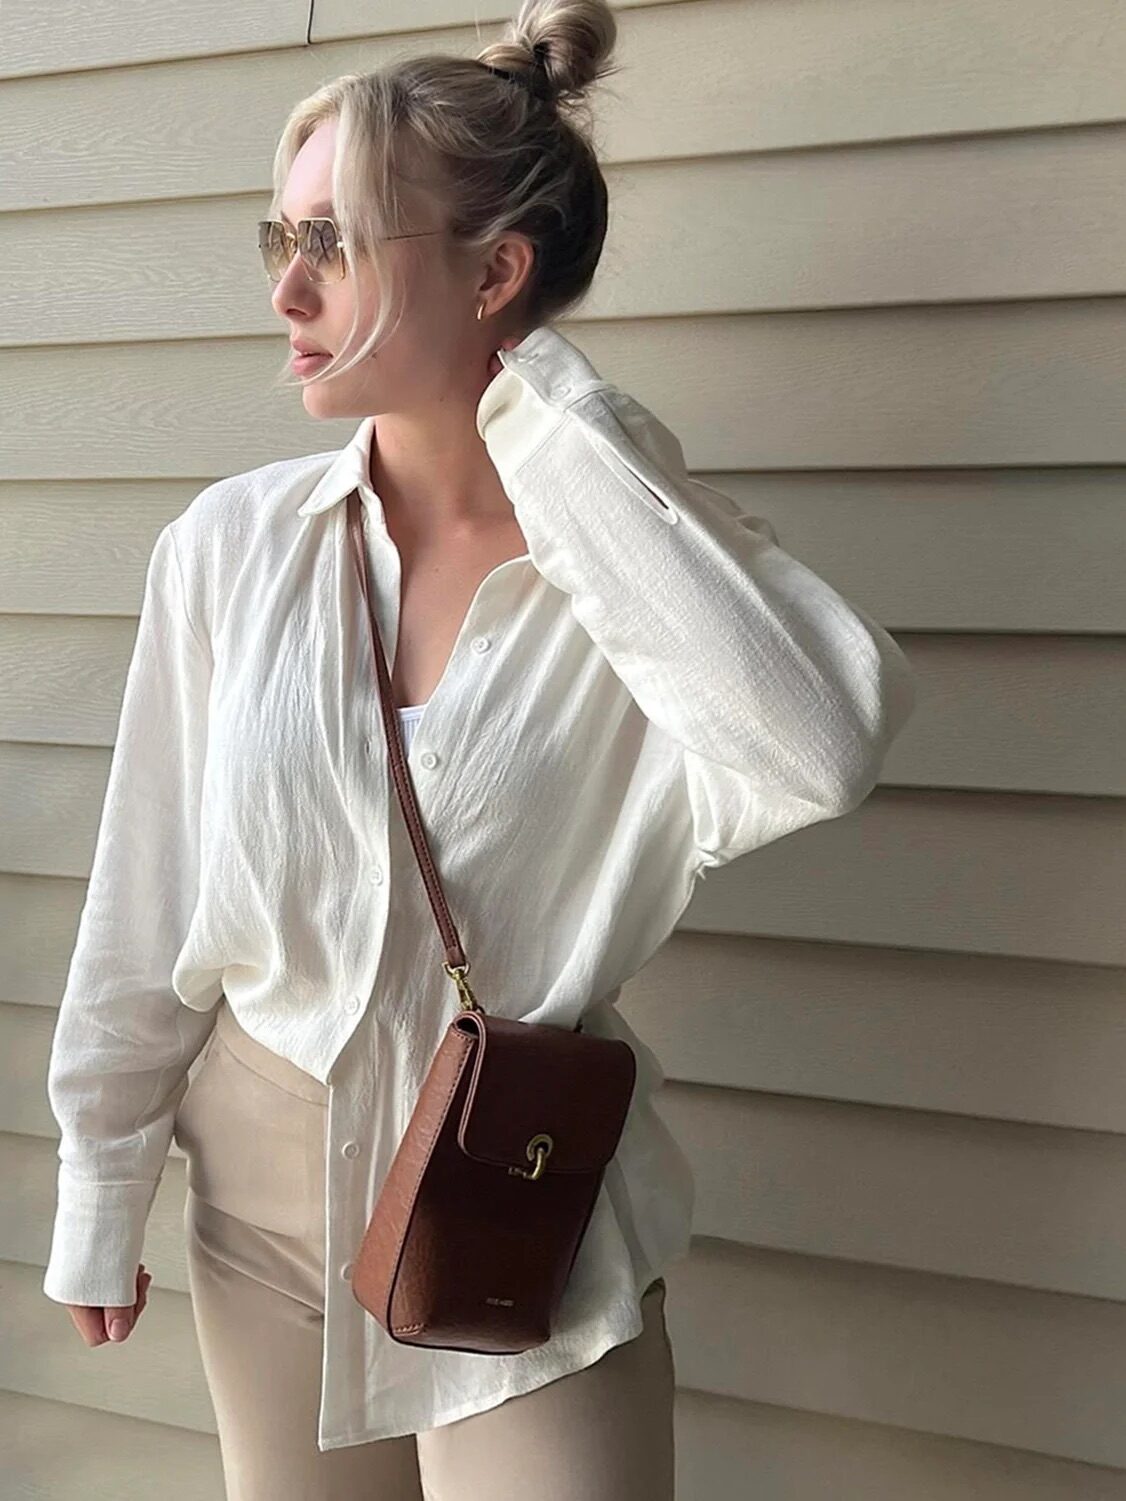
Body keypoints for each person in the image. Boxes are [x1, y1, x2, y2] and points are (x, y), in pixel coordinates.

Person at [40, 1, 918, 1496]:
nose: (285, 291)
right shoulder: (232, 548)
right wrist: (101, 1178)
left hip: (510, 1200)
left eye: (336, 243)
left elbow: (819, 747)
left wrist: (554, 415)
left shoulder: (636, 577)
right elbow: (148, 887)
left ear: (493, 271)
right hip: (254, 1200)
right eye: (280, 239)